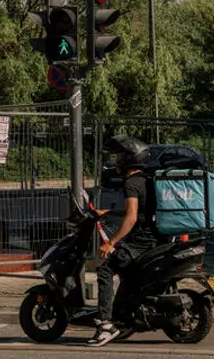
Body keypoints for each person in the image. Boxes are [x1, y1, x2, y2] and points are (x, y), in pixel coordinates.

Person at [89, 135, 159, 347]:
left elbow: (132, 218)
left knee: (105, 270)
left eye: (120, 156)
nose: (117, 161)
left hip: (141, 241)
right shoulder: (145, 179)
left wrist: (110, 243)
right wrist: (109, 212)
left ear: (130, 158)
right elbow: (139, 212)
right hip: (154, 238)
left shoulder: (131, 183)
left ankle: (105, 325)